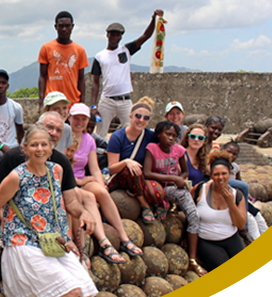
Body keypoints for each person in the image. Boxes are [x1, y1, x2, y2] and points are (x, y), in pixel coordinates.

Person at [0, 125, 98, 297]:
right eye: (34, 145)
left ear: (51, 148)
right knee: (72, 291)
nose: (40, 149)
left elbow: (61, 207)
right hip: (22, 240)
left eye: (44, 144)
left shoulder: (57, 170)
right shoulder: (16, 176)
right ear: (25, 149)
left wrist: (81, 218)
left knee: (86, 289)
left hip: (51, 240)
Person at [68, 103, 143, 262]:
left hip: (83, 179)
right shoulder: (64, 137)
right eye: (76, 118)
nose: (79, 122)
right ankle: (104, 242)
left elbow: (95, 168)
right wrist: (79, 180)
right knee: (89, 197)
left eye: (83, 119)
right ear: (69, 118)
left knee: (101, 192)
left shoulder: (89, 140)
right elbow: (62, 167)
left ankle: (123, 237)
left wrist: (102, 187)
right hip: (69, 181)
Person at [91, 10, 165, 138]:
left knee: (133, 129)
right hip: (107, 100)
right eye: (112, 34)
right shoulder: (99, 56)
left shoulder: (126, 50)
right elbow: (95, 82)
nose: (114, 38)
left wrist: (153, 19)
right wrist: (93, 105)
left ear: (120, 37)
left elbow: (145, 36)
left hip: (125, 100)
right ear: (107, 35)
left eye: (117, 35)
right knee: (101, 132)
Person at [144, 121, 203, 275]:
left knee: (194, 216)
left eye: (174, 136)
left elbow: (185, 172)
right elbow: (147, 173)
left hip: (173, 188)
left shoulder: (179, 150)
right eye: (168, 134)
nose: (171, 138)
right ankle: (163, 205)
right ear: (159, 134)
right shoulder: (152, 148)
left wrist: (179, 180)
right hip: (156, 187)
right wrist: (172, 178)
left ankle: (192, 259)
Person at [107, 97, 165, 224]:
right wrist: (126, 162)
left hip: (140, 179)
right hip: (122, 177)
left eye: (146, 118)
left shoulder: (150, 136)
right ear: (130, 117)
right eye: (138, 116)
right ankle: (144, 205)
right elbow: (112, 168)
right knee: (132, 168)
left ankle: (157, 204)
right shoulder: (117, 137)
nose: (141, 120)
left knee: (156, 192)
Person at [193, 151, 246, 271]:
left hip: (231, 238)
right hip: (207, 240)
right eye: (216, 174)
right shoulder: (200, 189)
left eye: (224, 174)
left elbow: (241, 225)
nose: (220, 177)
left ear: (230, 174)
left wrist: (231, 203)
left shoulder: (237, 195)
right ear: (211, 176)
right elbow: (188, 210)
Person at [38, 11, 88, 109]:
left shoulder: (79, 50)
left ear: (72, 26)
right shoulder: (46, 48)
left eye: (67, 26)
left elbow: (81, 79)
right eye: (61, 26)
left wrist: (82, 103)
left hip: (73, 102)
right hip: (52, 102)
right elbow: (42, 76)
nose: (64, 29)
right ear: (55, 27)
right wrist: (41, 103)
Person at [0, 69, 24, 152]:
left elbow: (20, 132)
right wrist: (1, 146)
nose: (0, 86)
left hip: (13, 147)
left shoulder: (16, 107)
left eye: (3, 83)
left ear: (7, 86)